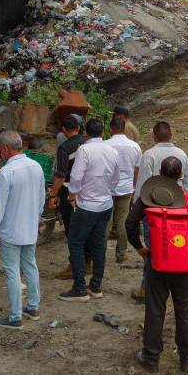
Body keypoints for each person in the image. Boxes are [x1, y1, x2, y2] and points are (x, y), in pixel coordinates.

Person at [126, 157, 188, 373]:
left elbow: (130, 223)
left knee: (154, 310)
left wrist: (140, 248)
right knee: (185, 312)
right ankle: (187, 359)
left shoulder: (149, 199)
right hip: (185, 269)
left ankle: (151, 358)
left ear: (161, 175)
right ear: (181, 175)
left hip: (158, 264)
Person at [0, 130, 45, 329]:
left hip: (11, 231)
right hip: (29, 228)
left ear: (5, 149)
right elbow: (41, 198)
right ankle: (33, 307)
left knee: (12, 272)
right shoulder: (36, 167)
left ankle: (15, 316)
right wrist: (36, 219)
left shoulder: (6, 172)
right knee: (30, 266)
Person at [59, 118, 120, 302]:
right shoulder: (112, 150)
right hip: (105, 204)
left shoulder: (84, 150)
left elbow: (76, 177)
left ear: (85, 132)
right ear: (103, 132)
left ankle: (79, 288)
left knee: (76, 243)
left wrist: (72, 195)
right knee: (98, 244)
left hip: (87, 205)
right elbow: (116, 178)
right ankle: (95, 286)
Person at [132, 121, 188, 301]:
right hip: (179, 206)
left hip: (154, 208)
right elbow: (187, 183)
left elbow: (143, 185)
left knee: (153, 248)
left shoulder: (149, 155)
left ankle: (147, 287)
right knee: (176, 244)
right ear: (171, 135)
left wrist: (137, 208)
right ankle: (174, 282)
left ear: (154, 136)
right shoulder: (182, 154)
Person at [48, 114, 91, 279]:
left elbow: (60, 174)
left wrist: (53, 194)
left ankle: (74, 265)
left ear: (64, 130)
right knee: (86, 229)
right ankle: (87, 262)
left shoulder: (65, 148)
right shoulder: (88, 143)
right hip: (87, 191)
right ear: (79, 127)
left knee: (71, 231)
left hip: (69, 192)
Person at [104, 117, 142, 263]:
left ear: (110, 129)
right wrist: (134, 187)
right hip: (126, 188)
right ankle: (121, 254)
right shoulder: (134, 146)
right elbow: (137, 170)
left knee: (106, 220)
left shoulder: (105, 145)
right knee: (122, 220)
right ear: (124, 128)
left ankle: (100, 252)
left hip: (107, 188)